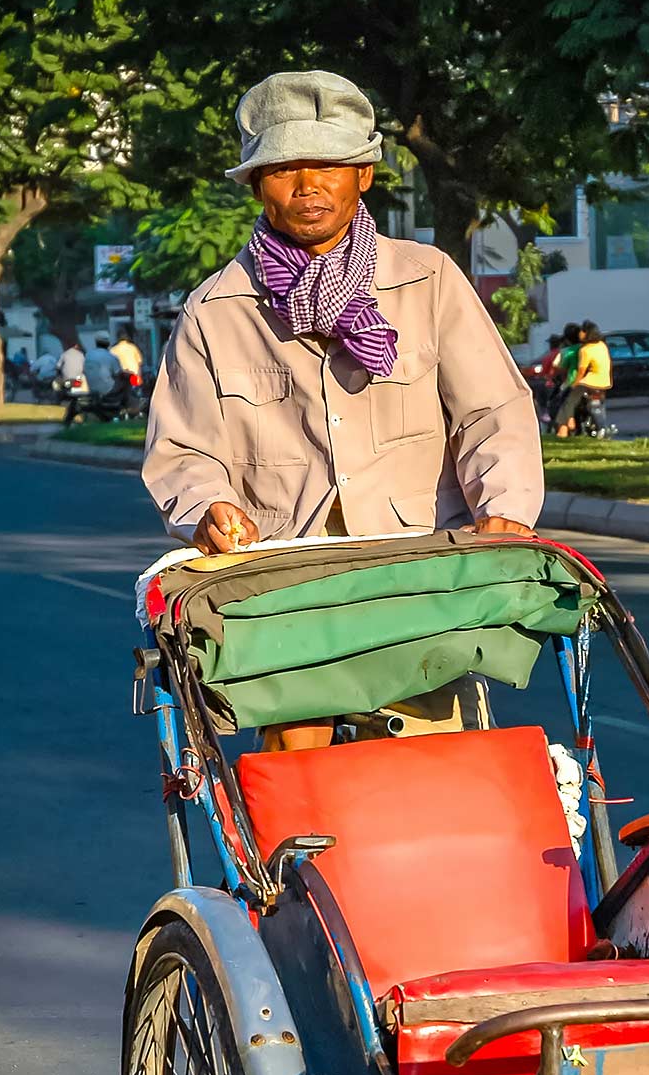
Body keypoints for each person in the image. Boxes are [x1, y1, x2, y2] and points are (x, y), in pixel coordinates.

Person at [143, 68, 544, 747]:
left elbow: (492, 410)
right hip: (288, 592)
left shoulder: (428, 278)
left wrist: (503, 505)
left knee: (435, 778)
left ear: (364, 174)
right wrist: (209, 506)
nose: (308, 186)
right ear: (254, 182)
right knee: (301, 790)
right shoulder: (216, 310)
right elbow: (184, 452)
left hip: (418, 582)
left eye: (330, 164)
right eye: (284, 168)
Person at [554, 320, 613, 436]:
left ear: (587, 333)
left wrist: (574, 384)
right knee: (598, 404)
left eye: (582, 331)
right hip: (605, 381)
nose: (579, 333)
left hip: (590, 382)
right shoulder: (602, 345)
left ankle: (565, 429)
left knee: (568, 402)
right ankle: (601, 426)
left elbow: (581, 371)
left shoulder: (585, 350)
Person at [111, 326, 145, 412]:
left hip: (121, 377)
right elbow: (139, 363)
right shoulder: (133, 348)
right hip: (134, 375)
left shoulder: (113, 349)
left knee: (121, 394)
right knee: (137, 393)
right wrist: (139, 377)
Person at [83, 334, 120, 398]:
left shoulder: (88, 355)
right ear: (108, 343)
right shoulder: (111, 357)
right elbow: (118, 373)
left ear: (96, 343)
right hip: (108, 391)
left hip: (92, 391)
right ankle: (126, 404)